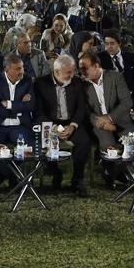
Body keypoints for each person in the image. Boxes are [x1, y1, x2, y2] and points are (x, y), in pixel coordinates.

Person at [34, 53, 92, 193]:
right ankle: (56, 174)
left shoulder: (76, 82)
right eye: (68, 72)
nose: (72, 75)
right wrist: (54, 128)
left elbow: (81, 108)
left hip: (71, 122)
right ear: (57, 72)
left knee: (84, 141)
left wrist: (72, 126)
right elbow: (38, 112)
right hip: (50, 123)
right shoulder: (40, 84)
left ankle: (77, 180)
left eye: (73, 71)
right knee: (43, 142)